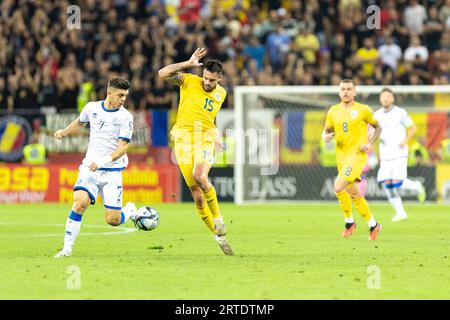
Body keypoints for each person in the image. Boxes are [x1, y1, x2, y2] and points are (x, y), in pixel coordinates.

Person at [158, 48, 233, 255]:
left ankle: (218, 219)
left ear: (219, 78)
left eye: (212, 80)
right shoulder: (189, 81)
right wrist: (187, 63)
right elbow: (162, 74)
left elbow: (209, 118)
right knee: (197, 197)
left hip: (204, 138)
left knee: (200, 176)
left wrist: (215, 134)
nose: (207, 83)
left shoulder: (221, 93)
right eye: (205, 78)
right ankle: (218, 235)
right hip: (182, 139)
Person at [53, 77, 137, 258]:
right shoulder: (92, 108)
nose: (123, 99)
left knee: (113, 220)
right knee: (79, 203)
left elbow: (123, 147)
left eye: (125, 96)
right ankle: (67, 249)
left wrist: (103, 160)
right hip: (90, 168)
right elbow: (80, 122)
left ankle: (129, 210)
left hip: (112, 172)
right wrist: (64, 132)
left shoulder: (125, 117)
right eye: (120, 95)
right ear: (109, 93)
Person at [322, 79, 382, 240]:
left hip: (357, 156)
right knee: (355, 195)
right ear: (339, 92)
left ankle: (349, 222)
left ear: (354, 92)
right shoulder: (333, 111)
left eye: (349, 89)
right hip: (341, 157)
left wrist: (369, 143)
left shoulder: (363, 110)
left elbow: (378, 127)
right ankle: (373, 225)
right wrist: (326, 137)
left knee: (338, 186)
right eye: (343, 89)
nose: (346, 92)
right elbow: (326, 131)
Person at [375, 88, 426, 222]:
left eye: (388, 96)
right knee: (387, 183)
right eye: (383, 96)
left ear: (393, 99)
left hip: (399, 153)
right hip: (385, 154)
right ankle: (400, 212)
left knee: (397, 182)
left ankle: (416, 186)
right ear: (380, 99)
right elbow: (373, 132)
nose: (385, 99)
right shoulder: (377, 115)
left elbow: (413, 128)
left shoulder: (400, 113)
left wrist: (405, 141)